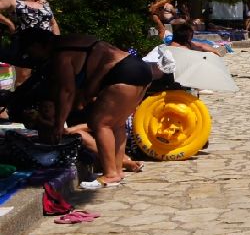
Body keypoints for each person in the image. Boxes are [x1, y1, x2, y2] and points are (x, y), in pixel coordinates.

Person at [16, 30, 157, 186]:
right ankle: (117, 170)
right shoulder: (72, 40)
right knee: (117, 124)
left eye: (30, 52)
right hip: (139, 68)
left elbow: (67, 91)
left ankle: (110, 174)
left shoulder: (61, 54)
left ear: (36, 45)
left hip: (122, 72)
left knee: (101, 124)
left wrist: (59, 124)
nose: (31, 56)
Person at [0, 0, 60, 84]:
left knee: (49, 76)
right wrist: (8, 22)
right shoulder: (14, 2)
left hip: (45, 45)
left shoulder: (44, 4)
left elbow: (53, 23)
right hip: (26, 44)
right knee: (24, 76)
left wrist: (57, 41)